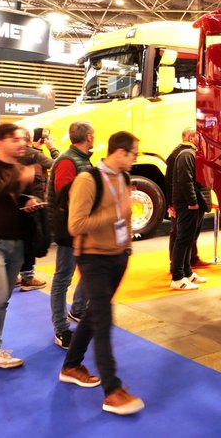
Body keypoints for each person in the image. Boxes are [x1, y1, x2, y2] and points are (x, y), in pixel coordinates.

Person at [59, 131, 144, 415]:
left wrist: (127, 246)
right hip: (93, 258)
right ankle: (112, 390)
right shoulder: (88, 180)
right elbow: (76, 225)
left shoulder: (123, 178)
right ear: (120, 152)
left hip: (117, 256)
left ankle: (71, 365)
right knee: (104, 319)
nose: (135, 158)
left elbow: (126, 217)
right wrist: (116, 213)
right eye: (133, 153)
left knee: (95, 313)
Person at [0, 124, 42, 369]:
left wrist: (31, 201)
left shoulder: (21, 169)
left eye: (23, 140)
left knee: (3, 299)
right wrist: (18, 178)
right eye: (15, 139)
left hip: (16, 242)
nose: (21, 144)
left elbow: (23, 198)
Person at [48, 121, 93, 349]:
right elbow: (65, 197)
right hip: (69, 229)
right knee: (62, 278)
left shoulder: (81, 159)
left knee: (88, 270)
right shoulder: (68, 160)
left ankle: (77, 310)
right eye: (92, 134)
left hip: (82, 228)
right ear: (88, 136)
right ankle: (60, 329)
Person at [14, 127, 59, 291]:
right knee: (33, 239)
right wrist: (52, 148)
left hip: (17, 203)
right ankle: (28, 278)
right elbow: (58, 164)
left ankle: (15, 276)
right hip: (34, 201)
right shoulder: (34, 154)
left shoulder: (13, 157)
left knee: (20, 241)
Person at [169, 129, 211, 291]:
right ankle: (178, 277)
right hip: (189, 206)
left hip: (195, 205)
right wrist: (193, 202)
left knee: (189, 239)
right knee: (183, 239)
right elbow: (185, 180)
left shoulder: (190, 154)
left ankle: (187, 272)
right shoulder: (187, 155)